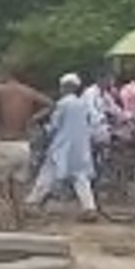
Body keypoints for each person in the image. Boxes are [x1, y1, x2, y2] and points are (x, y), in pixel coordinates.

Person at [0, 65, 52, 230]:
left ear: (6, 73)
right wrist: (32, 119)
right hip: (24, 146)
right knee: (17, 190)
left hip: (7, 143)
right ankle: (21, 224)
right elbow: (50, 104)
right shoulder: (29, 92)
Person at [26, 73, 104, 222]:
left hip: (63, 145)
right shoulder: (82, 104)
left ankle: (32, 202)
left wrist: (44, 129)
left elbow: (55, 125)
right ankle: (89, 208)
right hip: (81, 146)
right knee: (81, 178)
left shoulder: (63, 104)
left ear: (66, 87)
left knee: (48, 172)